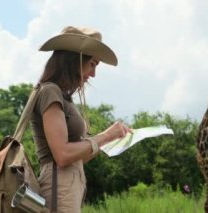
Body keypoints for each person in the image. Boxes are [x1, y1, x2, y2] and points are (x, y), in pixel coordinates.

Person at [30, 26, 132, 213]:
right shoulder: (50, 91)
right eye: (92, 64)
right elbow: (62, 155)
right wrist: (106, 136)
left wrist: (111, 140)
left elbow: (77, 158)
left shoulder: (62, 96)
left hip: (70, 187)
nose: (93, 74)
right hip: (59, 187)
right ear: (74, 60)